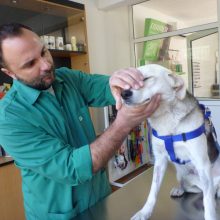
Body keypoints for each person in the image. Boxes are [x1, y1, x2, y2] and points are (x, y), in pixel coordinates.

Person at [0, 23, 160, 220]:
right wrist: (124, 123)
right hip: (59, 214)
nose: (46, 65)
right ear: (10, 73)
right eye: (30, 64)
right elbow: (72, 168)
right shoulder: (9, 118)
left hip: (100, 200)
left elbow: (105, 87)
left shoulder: (67, 78)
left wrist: (121, 82)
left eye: (44, 52)